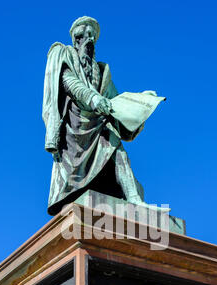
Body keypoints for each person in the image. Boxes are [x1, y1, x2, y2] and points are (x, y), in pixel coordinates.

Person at [43, 16, 156, 215]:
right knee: (109, 150)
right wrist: (93, 99)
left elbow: (116, 101)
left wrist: (141, 103)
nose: (86, 40)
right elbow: (70, 83)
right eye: (81, 35)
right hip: (75, 128)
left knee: (117, 150)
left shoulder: (101, 70)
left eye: (91, 36)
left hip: (99, 125)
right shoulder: (64, 54)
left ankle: (134, 199)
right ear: (74, 39)